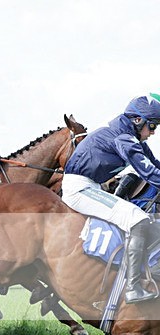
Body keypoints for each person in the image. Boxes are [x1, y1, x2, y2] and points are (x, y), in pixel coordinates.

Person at [62, 95, 160, 303]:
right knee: (137, 218)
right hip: (79, 189)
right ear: (137, 120)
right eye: (152, 126)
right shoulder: (124, 138)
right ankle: (133, 288)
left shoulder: (130, 136)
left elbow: (155, 165)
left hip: (91, 186)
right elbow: (149, 173)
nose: (153, 132)